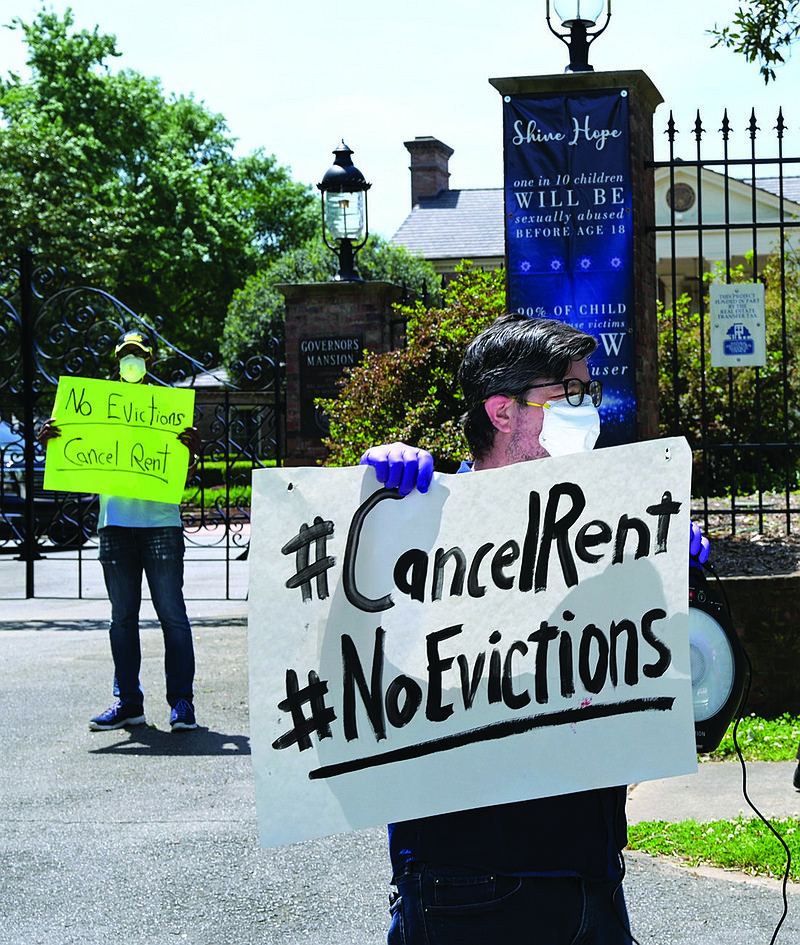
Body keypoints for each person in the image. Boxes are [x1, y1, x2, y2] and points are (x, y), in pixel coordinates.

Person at [360, 314, 709, 945]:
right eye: (567, 395)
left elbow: (659, 703)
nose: (588, 411)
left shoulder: (609, 533)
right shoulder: (422, 526)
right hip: (466, 882)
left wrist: (674, 584)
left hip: (590, 875)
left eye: (589, 394)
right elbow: (358, 668)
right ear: (502, 412)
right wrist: (375, 504)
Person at [38, 330, 201, 733]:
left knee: (172, 616)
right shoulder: (92, 409)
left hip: (161, 524)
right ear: (118, 362)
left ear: (148, 361)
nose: (133, 363)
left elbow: (184, 475)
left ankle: (181, 703)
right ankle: (129, 703)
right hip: (114, 526)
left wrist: (192, 452)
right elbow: (75, 461)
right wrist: (51, 445)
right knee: (121, 619)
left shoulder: (168, 410)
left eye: (139, 356)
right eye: (127, 357)